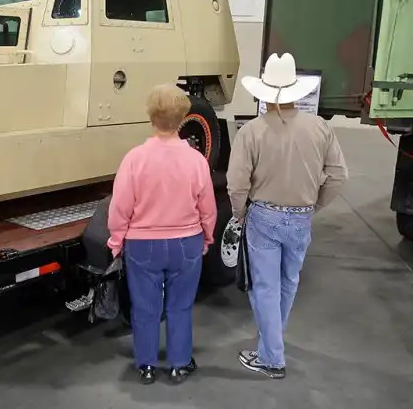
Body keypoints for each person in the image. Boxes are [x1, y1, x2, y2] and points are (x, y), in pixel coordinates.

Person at [227, 52, 348, 379]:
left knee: (264, 287)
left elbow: (237, 184)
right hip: (301, 217)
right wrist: (314, 206)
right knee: (288, 282)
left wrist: (240, 213)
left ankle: (272, 358)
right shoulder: (320, 127)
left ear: (264, 92)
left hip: (263, 217)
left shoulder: (251, 132)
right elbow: (338, 175)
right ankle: (272, 345)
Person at [107, 84, 216, 385]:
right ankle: (180, 364)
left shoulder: (134, 159)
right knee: (180, 306)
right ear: (183, 118)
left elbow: (120, 208)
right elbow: (207, 208)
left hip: (142, 246)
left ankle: (146, 365)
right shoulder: (196, 160)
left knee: (145, 307)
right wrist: (207, 236)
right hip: (187, 243)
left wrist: (116, 241)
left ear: (150, 116)